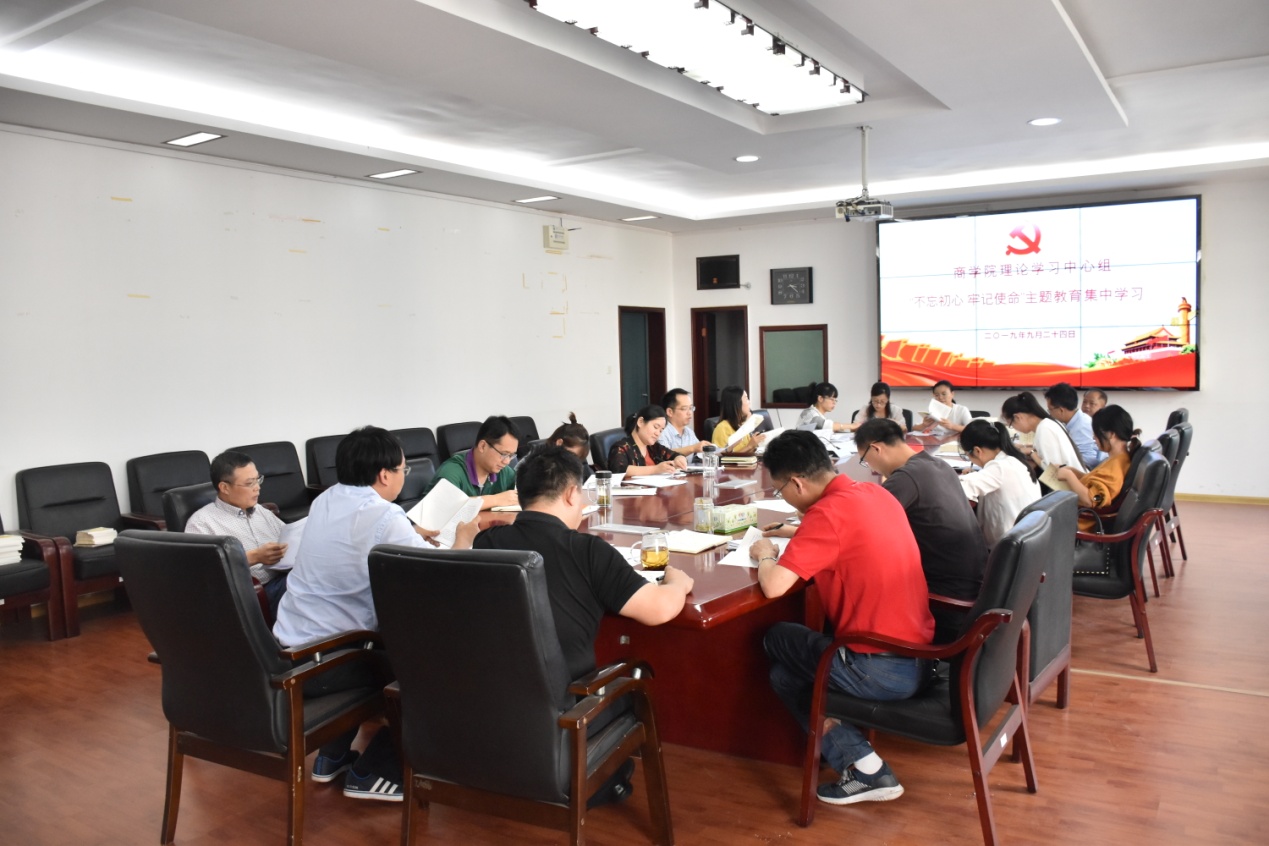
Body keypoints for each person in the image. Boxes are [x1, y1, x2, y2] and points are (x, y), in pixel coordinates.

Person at [474, 445, 694, 803]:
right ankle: (602, 780)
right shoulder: (588, 551)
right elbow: (658, 610)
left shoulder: (487, 543)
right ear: (571, 494)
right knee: (634, 682)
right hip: (567, 717)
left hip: (492, 712)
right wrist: (678, 584)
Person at [273, 426, 478, 802]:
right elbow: (443, 573)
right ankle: (374, 773)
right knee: (431, 662)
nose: (404, 476)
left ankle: (331, 757)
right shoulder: (384, 515)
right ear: (384, 474)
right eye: (403, 469)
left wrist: (409, 535)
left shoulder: (327, 499)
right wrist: (465, 538)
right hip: (331, 664)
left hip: (289, 650)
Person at [748, 431, 933, 806]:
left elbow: (774, 586)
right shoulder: (875, 492)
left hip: (876, 668)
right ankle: (866, 768)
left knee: (775, 637)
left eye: (781, 490)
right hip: (920, 655)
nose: (784, 497)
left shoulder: (827, 515)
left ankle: (860, 764)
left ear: (797, 483)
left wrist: (765, 553)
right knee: (785, 676)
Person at [853, 418, 989, 644]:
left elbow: (860, 526)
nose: (872, 469)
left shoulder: (906, 477)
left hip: (946, 603)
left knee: (859, 586)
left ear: (876, 449)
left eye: (866, 461)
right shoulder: (939, 465)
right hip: (975, 591)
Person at [184, 449, 289, 615]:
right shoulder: (201, 523)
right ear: (224, 487)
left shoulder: (261, 511)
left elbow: (288, 536)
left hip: (285, 578)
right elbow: (200, 573)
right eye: (249, 483)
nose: (257, 488)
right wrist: (254, 557)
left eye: (258, 480)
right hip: (252, 594)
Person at [1052, 405, 1142, 531]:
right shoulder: (1118, 459)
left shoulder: (1114, 469)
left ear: (1111, 434)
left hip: (1079, 525)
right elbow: (1096, 483)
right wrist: (1073, 472)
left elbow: (1093, 499)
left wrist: (1069, 476)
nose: (1094, 437)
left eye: (1096, 433)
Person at [957, 419, 1042, 549]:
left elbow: (958, 489)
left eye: (968, 455)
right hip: (1028, 543)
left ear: (977, 451)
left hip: (1008, 549)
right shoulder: (1013, 460)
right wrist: (975, 475)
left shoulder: (999, 467)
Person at [428, 415, 520, 509]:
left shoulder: (505, 472)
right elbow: (442, 508)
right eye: (504, 454)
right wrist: (495, 500)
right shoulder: (452, 471)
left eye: (511, 455)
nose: (507, 461)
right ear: (482, 446)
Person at [1000, 392, 1085, 481]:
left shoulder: (1044, 429)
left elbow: (1051, 469)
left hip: (1072, 485)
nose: (1014, 428)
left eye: (1010, 424)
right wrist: (1026, 447)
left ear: (1017, 417)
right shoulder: (1047, 423)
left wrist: (1031, 452)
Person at [608, 404, 687, 475]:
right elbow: (619, 470)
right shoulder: (621, 447)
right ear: (640, 422)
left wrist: (679, 459)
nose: (658, 433)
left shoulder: (654, 448)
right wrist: (656, 469)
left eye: (661, 430)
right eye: (655, 427)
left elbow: (674, 455)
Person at [518, 412, 593, 481]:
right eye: (572, 455)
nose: (573, 461)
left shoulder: (570, 463)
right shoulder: (535, 462)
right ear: (559, 443)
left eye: (578, 458)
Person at [1045, 382, 1105, 468]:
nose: (1050, 414)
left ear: (1061, 410)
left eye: (1050, 410)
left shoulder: (1082, 425)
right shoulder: (1071, 422)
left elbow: (1089, 460)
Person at [711, 385, 766, 453]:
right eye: (746, 399)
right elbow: (723, 457)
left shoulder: (742, 425)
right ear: (737, 403)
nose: (749, 402)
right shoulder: (721, 428)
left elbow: (748, 451)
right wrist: (749, 446)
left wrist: (755, 444)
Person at [658, 388, 705, 456]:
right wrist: (692, 448)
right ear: (670, 412)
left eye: (691, 408)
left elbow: (700, 453)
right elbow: (664, 455)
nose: (689, 413)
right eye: (684, 409)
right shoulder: (661, 432)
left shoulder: (689, 432)